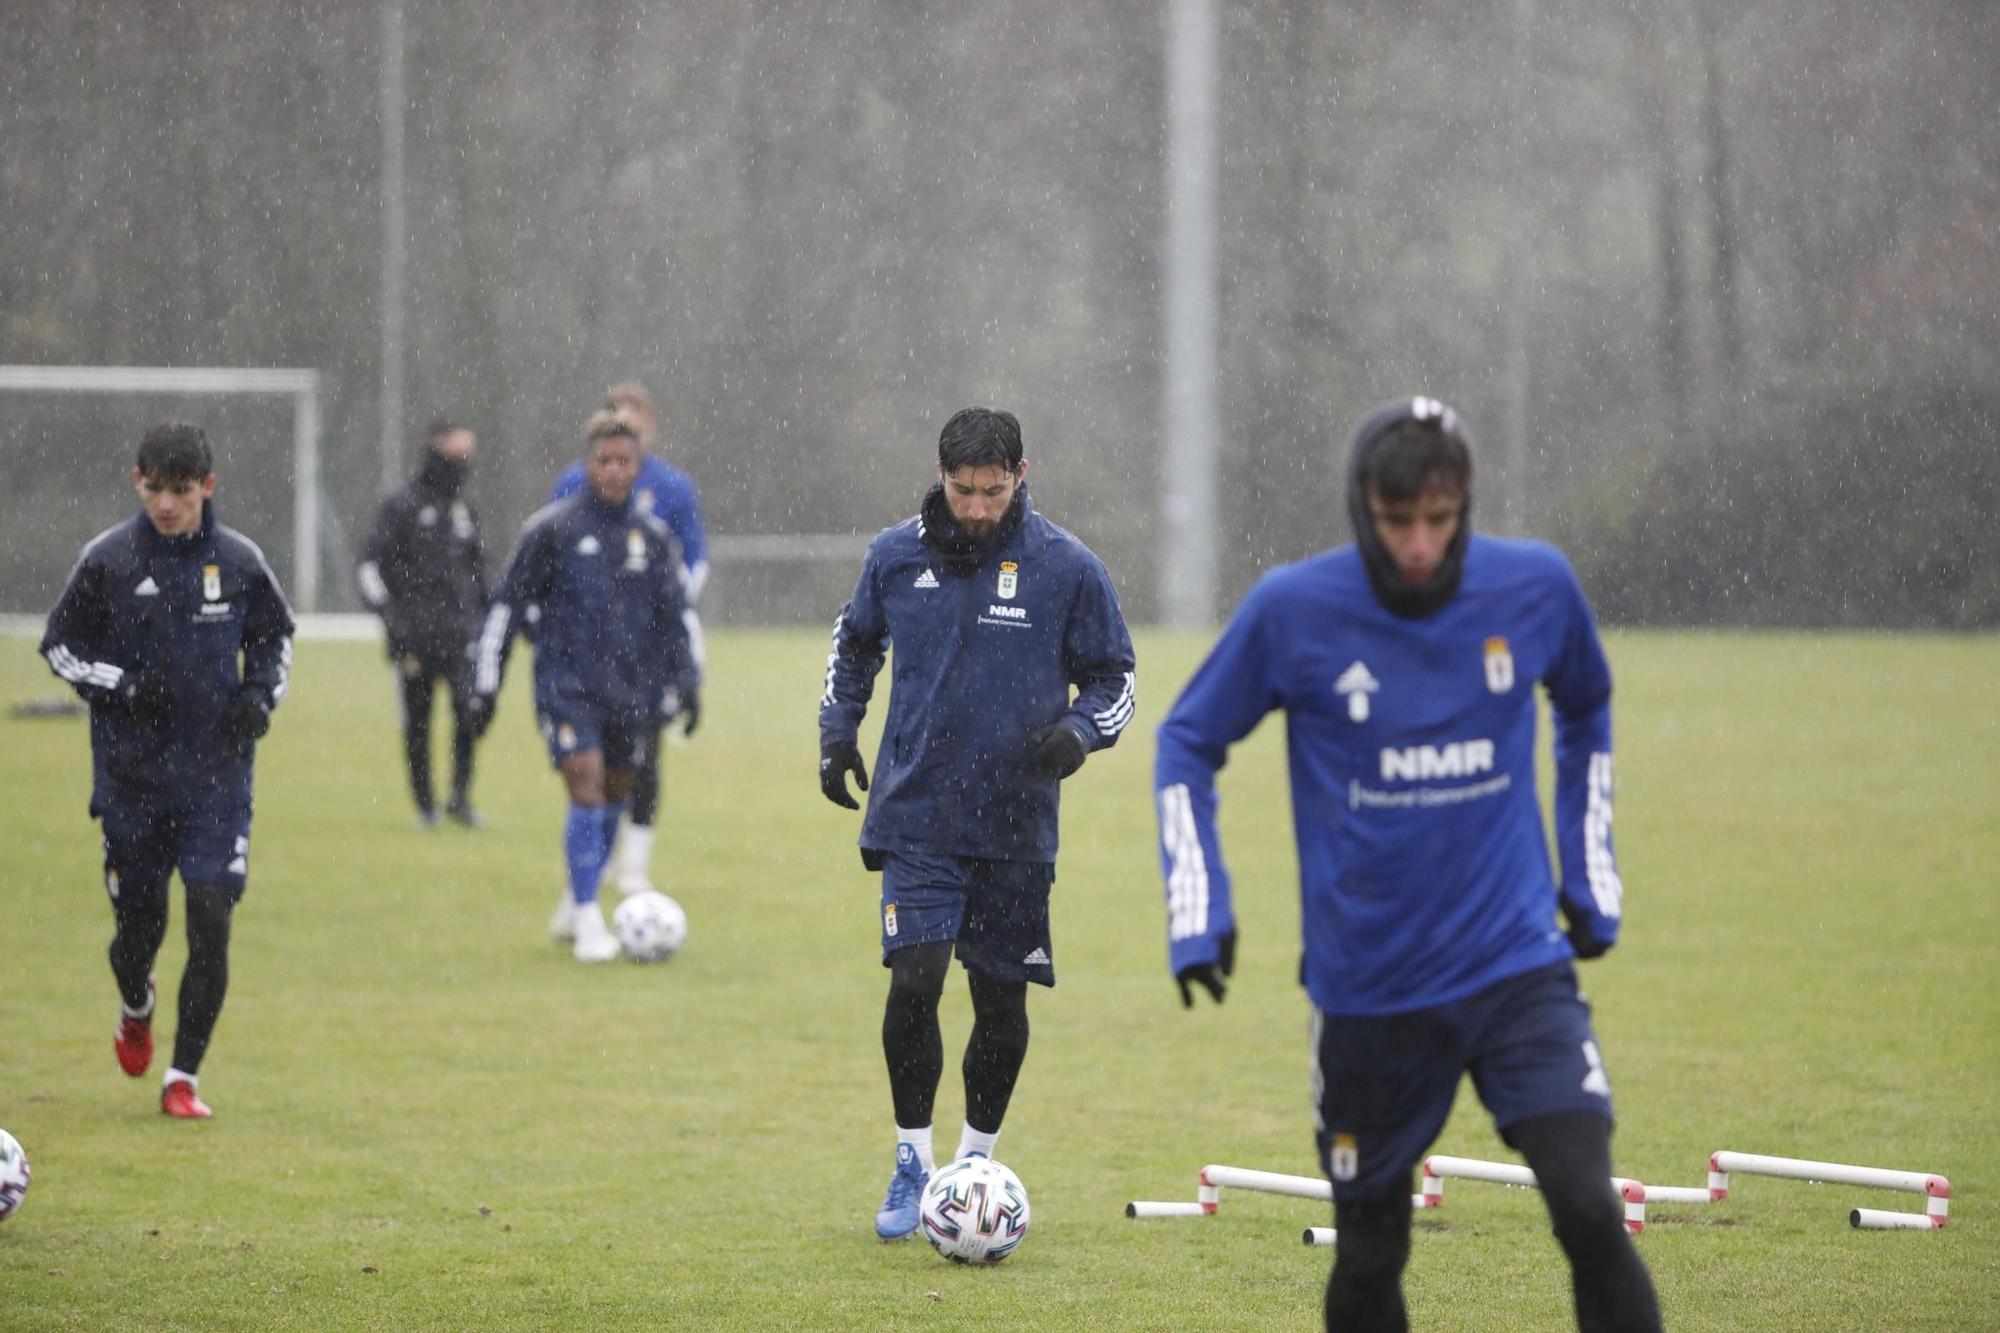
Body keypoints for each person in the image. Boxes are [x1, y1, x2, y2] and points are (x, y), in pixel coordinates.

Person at [1152, 397, 1661, 1332]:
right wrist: (1199, 903)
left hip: (1517, 969)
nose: (1420, 546)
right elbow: (1186, 741)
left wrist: (1590, 874)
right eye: (1397, 524)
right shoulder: (1292, 610)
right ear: (1362, 509)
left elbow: (1586, 707)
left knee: (1589, 1208)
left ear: (1465, 503)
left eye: (1439, 519)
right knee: (1372, 1249)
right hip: (1370, 995)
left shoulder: (1536, 586)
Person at [819, 407, 1136, 1240]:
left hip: (1016, 826)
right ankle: (911, 1160)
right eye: (963, 490)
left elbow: (1117, 680)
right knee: (914, 979)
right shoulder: (895, 556)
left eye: (993, 491)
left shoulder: (1067, 567)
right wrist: (836, 732)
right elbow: (855, 645)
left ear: (1020, 474)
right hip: (917, 815)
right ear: (941, 473)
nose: (977, 507)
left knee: (999, 1003)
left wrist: (1078, 732)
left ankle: (975, 1162)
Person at [40, 422, 295, 1120]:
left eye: (181, 491)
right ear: (138, 481)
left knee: (211, 915)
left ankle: (183, 1076)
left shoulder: (240, 561)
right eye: (155, 489)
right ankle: (135, 1002)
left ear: (207, 487)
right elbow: (58, 646)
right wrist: (121, 685)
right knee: (137, 932)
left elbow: (276, 637)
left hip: (218, 781)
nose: (167, 505)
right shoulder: (109, 560)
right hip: (133, 784)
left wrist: (257, 697)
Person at [474, 410, 700, 962]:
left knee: (615, 798)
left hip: (631, 693)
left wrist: (688, 682)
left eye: (625, 461)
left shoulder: (653, 537)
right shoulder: (552, 531)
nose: (615, 470)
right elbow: (507, 607)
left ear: (638, 467)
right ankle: (589, 919)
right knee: (585, 784)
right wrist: (486, 685)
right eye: (605, 460)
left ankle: (575, 900)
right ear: (588, 464)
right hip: (567, 686)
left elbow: (675, 616)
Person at [547, 383, 708, 897]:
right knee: (586, 774)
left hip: (648, 649)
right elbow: (549, 561)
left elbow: (693, 559)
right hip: (584, 657)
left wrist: (664, 622)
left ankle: (633, 864)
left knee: (644, 757)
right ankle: (585, 889)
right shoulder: (572, 483)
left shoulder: (674, 487)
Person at [355, 418, 489, 828]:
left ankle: (460, 798)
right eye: (453, 455)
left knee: (470, 712)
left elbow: (479, 572)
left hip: (461, 635)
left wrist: (485, 618)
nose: (460, 465)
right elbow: (367, 567)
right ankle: (425, 805)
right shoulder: (402, 506)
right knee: (418, 722)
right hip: (413, 637)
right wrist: (392, 619)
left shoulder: (464, 509)